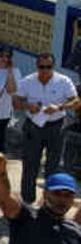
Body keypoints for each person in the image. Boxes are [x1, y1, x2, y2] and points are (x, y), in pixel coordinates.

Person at [15, 53, 78, 204]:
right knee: (30, 164)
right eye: (41, 67)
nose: (44, 70)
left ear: (53, 67)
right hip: (33, 126)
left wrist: (60, 107)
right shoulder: (28, 81)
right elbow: (16, 102)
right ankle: (27, 200)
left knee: (53, 166)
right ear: (37, 67)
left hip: (56, 126)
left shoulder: (63, 81)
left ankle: (49, 201)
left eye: (48, 67)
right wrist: (28, 106)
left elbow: (76, 101)